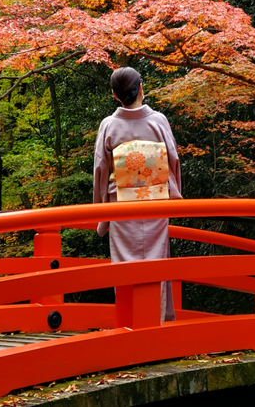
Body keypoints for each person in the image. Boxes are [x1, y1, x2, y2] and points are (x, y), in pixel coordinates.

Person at [93, 67, 182, 322]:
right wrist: (173, 197)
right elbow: (173, 161)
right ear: (141, 88)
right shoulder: (159, 121)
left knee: (124, 267)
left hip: (121, 206)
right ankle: (159, 321)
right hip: (155, 204)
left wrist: (102, 213)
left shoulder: (108, 125)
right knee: (156, 262)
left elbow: (101, 169)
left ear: (115, 95)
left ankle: (128, 323)